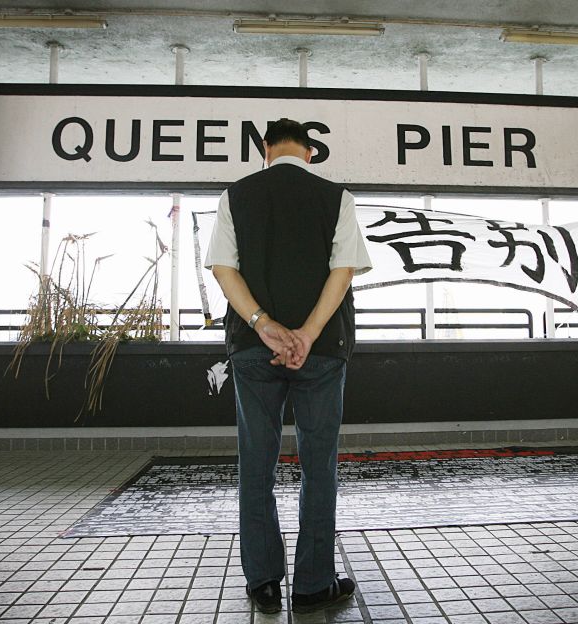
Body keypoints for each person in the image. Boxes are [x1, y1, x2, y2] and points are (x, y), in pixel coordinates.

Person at [205, 118, 372, 614]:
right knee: (318, 466)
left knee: (257, 463)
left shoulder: (235, 195)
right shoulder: (336, 197)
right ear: (310, 153)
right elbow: (342, 271)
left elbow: (222, 268)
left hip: (254, 351)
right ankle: (313, 585)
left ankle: (263, 582)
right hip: (321, 353)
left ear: (264, 150)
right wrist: (307, 335)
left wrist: (262, 325)